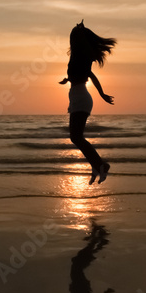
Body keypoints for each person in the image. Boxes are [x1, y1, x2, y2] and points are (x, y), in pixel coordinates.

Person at [59, 20, 116, 185]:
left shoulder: (81, 56)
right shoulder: (79, 56)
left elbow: (89, 75)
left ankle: (101, 164)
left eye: (72, 37)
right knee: (75, 137)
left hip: (81, 98)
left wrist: (102, 94)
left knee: (76, 137)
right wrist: (67, 79)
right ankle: (96, 166)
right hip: (79, 97)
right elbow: (85, 74)